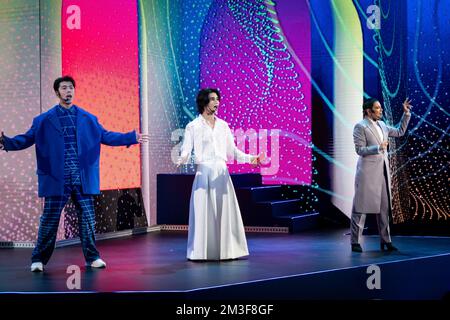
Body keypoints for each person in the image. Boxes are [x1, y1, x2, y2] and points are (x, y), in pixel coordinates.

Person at [0, 76, 147, 271]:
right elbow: (25, 139)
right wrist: (6, 142)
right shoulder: (43, 120)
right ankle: (38, 259)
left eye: (71, 88)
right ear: (57, 92)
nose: (68, 91)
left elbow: (106, 136)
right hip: (56, 179)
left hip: (82, 179)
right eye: (64, 88)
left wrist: (131, 137)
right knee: (49, 221)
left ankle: (92, 257)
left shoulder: (88, 118)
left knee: (87, 219)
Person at [177, 88, 263, 261]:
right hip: (204, 172)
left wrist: (252, 158)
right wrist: (182, 158)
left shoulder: (223, 125)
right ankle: (201, 252)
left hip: (221, 173)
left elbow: (233, 151)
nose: (217, 102)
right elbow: (186, 149)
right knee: (203, 213)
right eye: (212, 99)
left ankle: (227, 251)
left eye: (218, 99)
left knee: (224, 212)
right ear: (203, 102)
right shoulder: (192, 126)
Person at [351, 97, 412, 252]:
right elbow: (360, 150)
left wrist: (406, 114)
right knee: (361, 207)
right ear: (368, 110)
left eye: (380, 108)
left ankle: (386, 240)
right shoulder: (360, 126)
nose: (381, 110)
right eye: (377, 108)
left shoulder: (383, 125)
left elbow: (399, 131)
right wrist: (378, 148)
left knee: (384, 208)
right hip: (367, 173)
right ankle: (355, 241)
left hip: (382, 172)